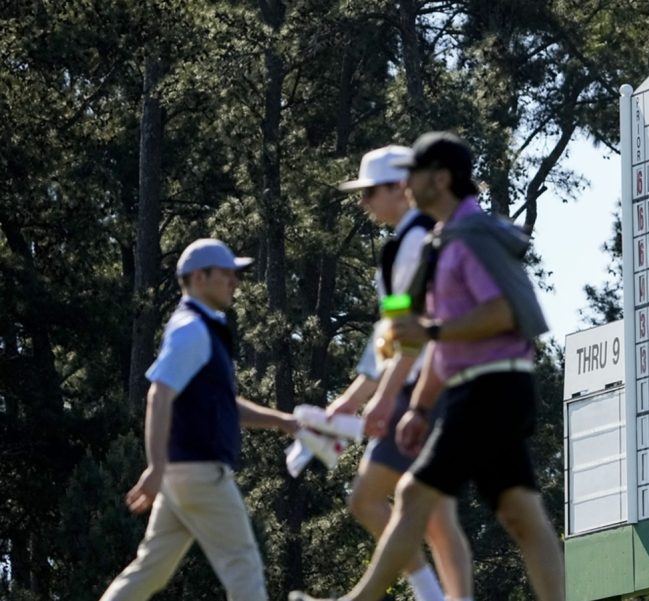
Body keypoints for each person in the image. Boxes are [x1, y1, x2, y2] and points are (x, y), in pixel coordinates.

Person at [290, 132, 565, 601]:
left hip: (490, 389)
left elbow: (493, 315)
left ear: (437, 179)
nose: (405, 185)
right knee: (520, 513)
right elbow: (412, 334)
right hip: (475, 388)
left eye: (411, 175)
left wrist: (406, 373)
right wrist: (417, 406)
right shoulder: (438, 241)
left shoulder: (466, 237)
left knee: (416, 495)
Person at [100, 238, 298, 601]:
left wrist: (284, 421)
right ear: (199, 277)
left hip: (182, 475)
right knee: (244, 564)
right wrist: (154, 466)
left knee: (150, 570)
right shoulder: (192, 329)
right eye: (226, 274)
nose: (234, 282)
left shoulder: (203, 328)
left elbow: (226, 405)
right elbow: (159, 394)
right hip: (201, 472)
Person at [320, 145, 472, 601]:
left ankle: (429, 595)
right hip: (431, 386)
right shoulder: (402, 246)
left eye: (370, 193)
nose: (364, 203)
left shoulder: (417, 242)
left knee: (367, 498)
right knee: (437, 515)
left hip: (427, 389)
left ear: (400, 188)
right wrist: (354, 397)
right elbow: (388, 337)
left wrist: (383, 397)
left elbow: (410, 335)